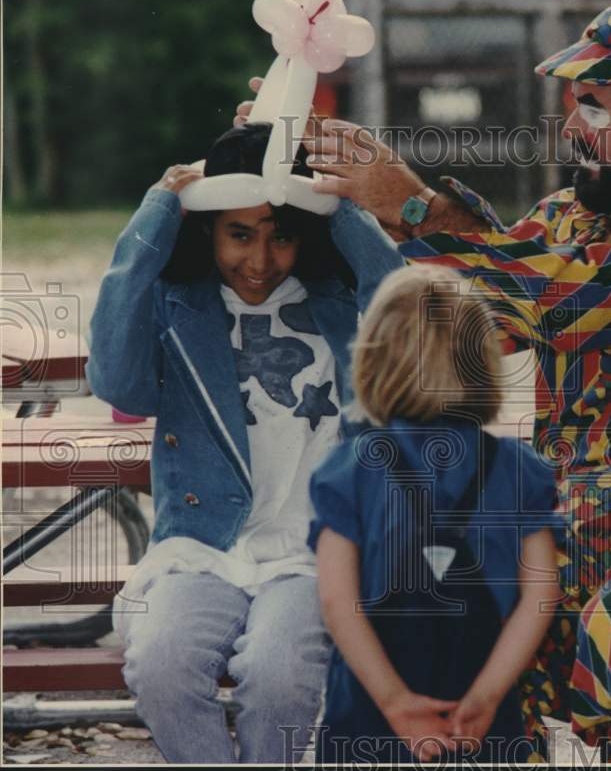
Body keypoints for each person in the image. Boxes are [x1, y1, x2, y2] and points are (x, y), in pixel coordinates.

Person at [241, 0, 611, 757]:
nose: (572, 125)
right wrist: (314, 177)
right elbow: (479, 312)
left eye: (596, 106)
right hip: (575, 526)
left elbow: (557, 300)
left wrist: (407, 205)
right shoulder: (575, 219)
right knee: (451, 630)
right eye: (574, 104)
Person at [87, 123, 404, 763]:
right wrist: (155, 217)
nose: (259, 260)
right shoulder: (181, 309)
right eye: (239, 234)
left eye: (280, 234)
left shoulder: (345, 309)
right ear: (207, 229)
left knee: (281, 674)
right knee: (162, 665)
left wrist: (340, 209)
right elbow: (118, 381)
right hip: (200, 549)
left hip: (315, 554)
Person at [308, 264, 562, 764]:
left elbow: (338, 601)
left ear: (375, 363)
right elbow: (540, 595)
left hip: (372, 701)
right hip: (479, 704)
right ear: (483, 363)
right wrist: (488, 696)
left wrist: (396, 704)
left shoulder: (350, 468)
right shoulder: (520, 470)